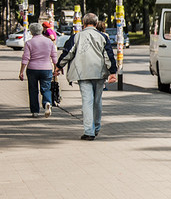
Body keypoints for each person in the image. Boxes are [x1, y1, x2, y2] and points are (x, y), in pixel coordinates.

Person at [56, 12, 117, 141]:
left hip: (82, 73)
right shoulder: (103, 37)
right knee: (97, 101)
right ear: (96, 23)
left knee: (87, 101)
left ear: (83, 24)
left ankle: (89, 131)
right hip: (99, 73)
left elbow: (68, 53)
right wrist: (112, 72)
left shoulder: (76, 37)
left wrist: (59, 66)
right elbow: (109, 55)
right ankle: (96, 128)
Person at [19, 23, 58, 118]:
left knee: (33, 90)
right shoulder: (49, 42)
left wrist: (21, 71)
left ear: (31, 32)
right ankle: (47, 103)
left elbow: (25, 58)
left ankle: (35, 111)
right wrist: (56, 68)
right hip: (46, 69)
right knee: (46, 88)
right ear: (41, 30)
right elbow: (54, 56)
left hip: (32, 69)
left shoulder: (29, 43)